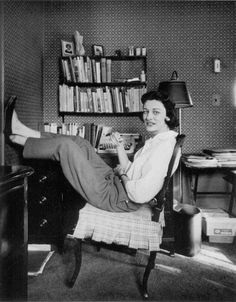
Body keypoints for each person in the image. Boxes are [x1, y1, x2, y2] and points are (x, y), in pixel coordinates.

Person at [5, 91, 179, 213]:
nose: (148, 117)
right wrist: (119, 147)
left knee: (67, 147)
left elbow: (139, 194)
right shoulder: (158, 140)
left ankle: (20, 140)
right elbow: (132, 169)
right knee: (80, 142)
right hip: (115, 183)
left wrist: (122, 174)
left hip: (115, 197)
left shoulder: (164, 147)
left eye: (156, 112)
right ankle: (21, 129)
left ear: (168, 116)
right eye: (146, 111)